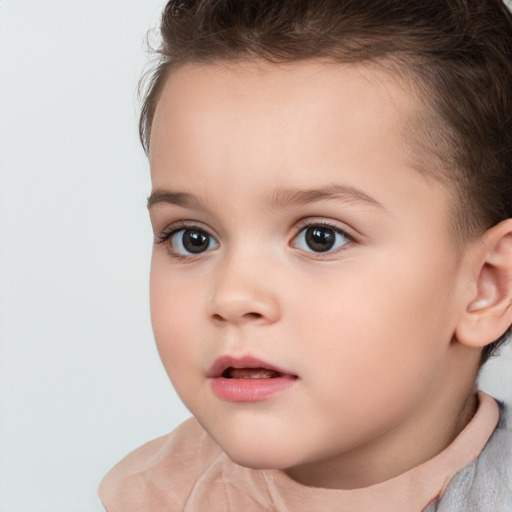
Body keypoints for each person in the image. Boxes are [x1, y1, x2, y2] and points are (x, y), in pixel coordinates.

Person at [98, 0, 512, 510]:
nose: (232, 296)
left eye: (320, 237)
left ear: (488, 286)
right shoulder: (154, 496)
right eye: (193, 238)